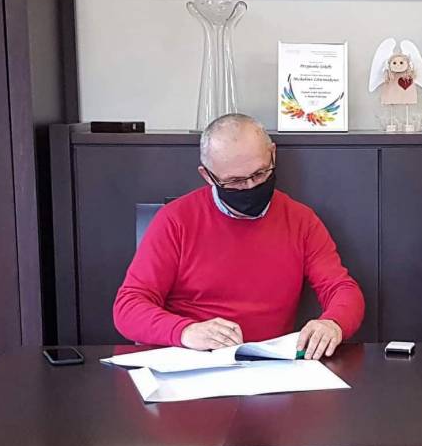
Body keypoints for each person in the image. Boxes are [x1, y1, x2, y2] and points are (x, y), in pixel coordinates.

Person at [113, 114, 365, 360]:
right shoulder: (175, 220)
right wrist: (185, 331)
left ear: (273, 154)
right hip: (193, 361)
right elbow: (128, 307)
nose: (250, 187)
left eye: (260, 173)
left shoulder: (301, 220)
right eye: (234, 181)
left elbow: (341, 289)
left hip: (270, 365)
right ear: (207, 175)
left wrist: (333, 323)